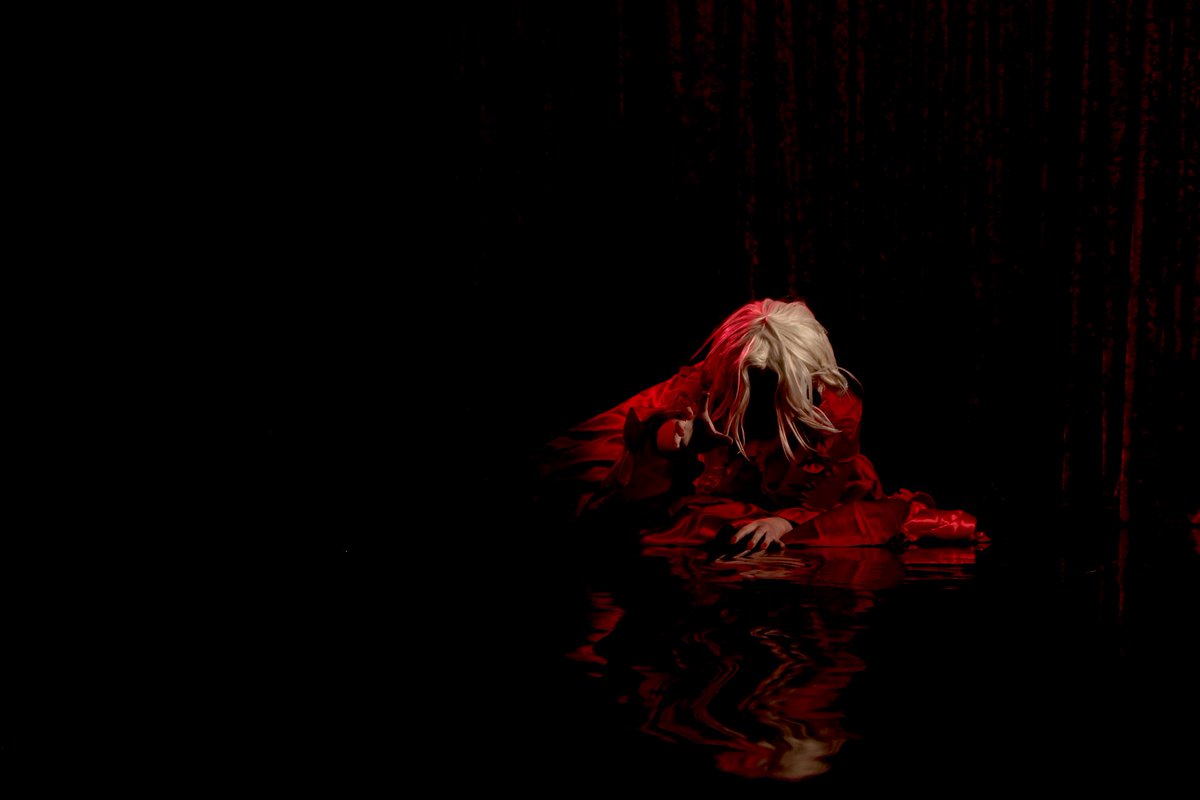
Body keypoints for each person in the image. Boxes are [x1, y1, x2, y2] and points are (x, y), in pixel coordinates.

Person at [537, 297, 981, 551]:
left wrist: (787, 521)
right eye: (753, 381)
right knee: (600, 502)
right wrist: (676, 445)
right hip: (685, 459)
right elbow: (637, 475)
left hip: (770, 480)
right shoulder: (697, 394)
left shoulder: (837, 409)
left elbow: (821, 496)